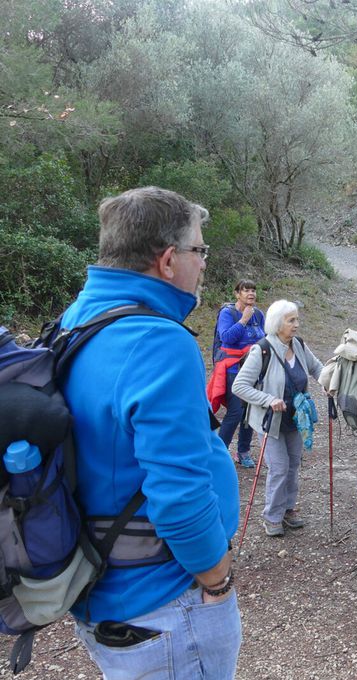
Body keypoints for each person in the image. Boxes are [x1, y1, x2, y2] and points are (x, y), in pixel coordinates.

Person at [59, 186, 241, 678]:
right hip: (163, 606)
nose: (203, 264)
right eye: (199, 251)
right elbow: (179, 495)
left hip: (104, 594)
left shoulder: (77, 322)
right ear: (167, 261)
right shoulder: (157, 341)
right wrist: (217, 580)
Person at [233, 299, 323, 537]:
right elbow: (239, 386)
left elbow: (316, 369)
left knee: (293, 465)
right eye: (291, 320)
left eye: (297, 319)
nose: (296, 324)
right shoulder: (262, 349)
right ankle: (272, 516)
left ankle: (288, 510)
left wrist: (329, 383)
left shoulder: (299, 345)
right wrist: (268, 399)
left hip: (295, 419)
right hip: (270, 420)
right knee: (280, 468)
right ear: (277, 322)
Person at [209, 279, 265, 468]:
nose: (251, 294)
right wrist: (243, 321)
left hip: (254, 368)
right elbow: (226, 338)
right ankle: (220, 453)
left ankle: (243, 452)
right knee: (235, 411)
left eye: (253, 290)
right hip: (233, 368)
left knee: (249, 413)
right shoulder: (228, 313)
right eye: (246, 290)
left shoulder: (259, 314)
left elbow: (264, 338)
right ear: (237, 294)